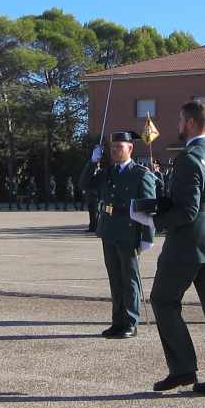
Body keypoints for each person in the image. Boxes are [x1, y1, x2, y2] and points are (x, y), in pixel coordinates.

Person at [131, 100, 205, 396]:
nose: (177, 125)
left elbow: (188, 211)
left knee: (163, 300)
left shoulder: (188, 158)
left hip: (188, 243)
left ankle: (182, 367)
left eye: (179, 119)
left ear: (190, 122)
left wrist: (153, 219)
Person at [83, 130, 156, 338]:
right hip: (109, 230)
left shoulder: (141, 174)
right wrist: (92, 162)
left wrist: (147, 236)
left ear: (130, 148)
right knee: (115, 279)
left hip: (129, 231)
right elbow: (85, 184)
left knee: (129, 279)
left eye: (119, 147)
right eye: (112, 147)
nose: (115, 151)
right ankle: (118, 321)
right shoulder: (107, 172)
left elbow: (148, 207)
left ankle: (130, 322)